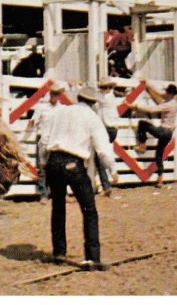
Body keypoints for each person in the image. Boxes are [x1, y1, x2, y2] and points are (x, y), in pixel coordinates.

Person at [39, 86, 116, 271]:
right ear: (93, 103)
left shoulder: (60, 112)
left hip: (53, 160)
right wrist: (112, 170)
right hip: (73, 162)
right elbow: (103, 149)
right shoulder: (92, 118)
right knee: (89, 209)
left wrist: (43, 162)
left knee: (58, 207)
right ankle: (92, 257)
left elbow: (44, 139)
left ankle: (59, 251)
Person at [130, 83, 177, 187]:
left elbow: (151, 109)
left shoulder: (168, 104)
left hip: (163, 130)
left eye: (166, 92)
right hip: (169, 133)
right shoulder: (174, 103)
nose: (164, 93)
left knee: (142, 124)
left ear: (169, 93)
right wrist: (148, 84)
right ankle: (160, 179)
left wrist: (136, 106)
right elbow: (159, 93)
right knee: (159, 155)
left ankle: (142, 145)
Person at [26, 82, 66, 203]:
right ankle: (43, 194)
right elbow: (34, 120)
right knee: (42, 168)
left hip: (56, 140)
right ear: (50, 94)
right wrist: (31, 123)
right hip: (43, 139)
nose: (55, 96)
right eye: (53, 93)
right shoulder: (42, 107)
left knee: (58, 168)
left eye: (57, 94)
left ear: (60, 95)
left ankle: (58, 194)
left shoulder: (62, 109)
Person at [94, 77, 119, 196]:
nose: (106, 90)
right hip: (111, 129)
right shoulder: (110, 97)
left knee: (101, 154)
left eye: (108, 87)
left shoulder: (106, 99)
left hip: (106, 128)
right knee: (103, 153)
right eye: (104, 87)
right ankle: (106, 184)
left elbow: (95, 99)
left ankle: (109, 175)